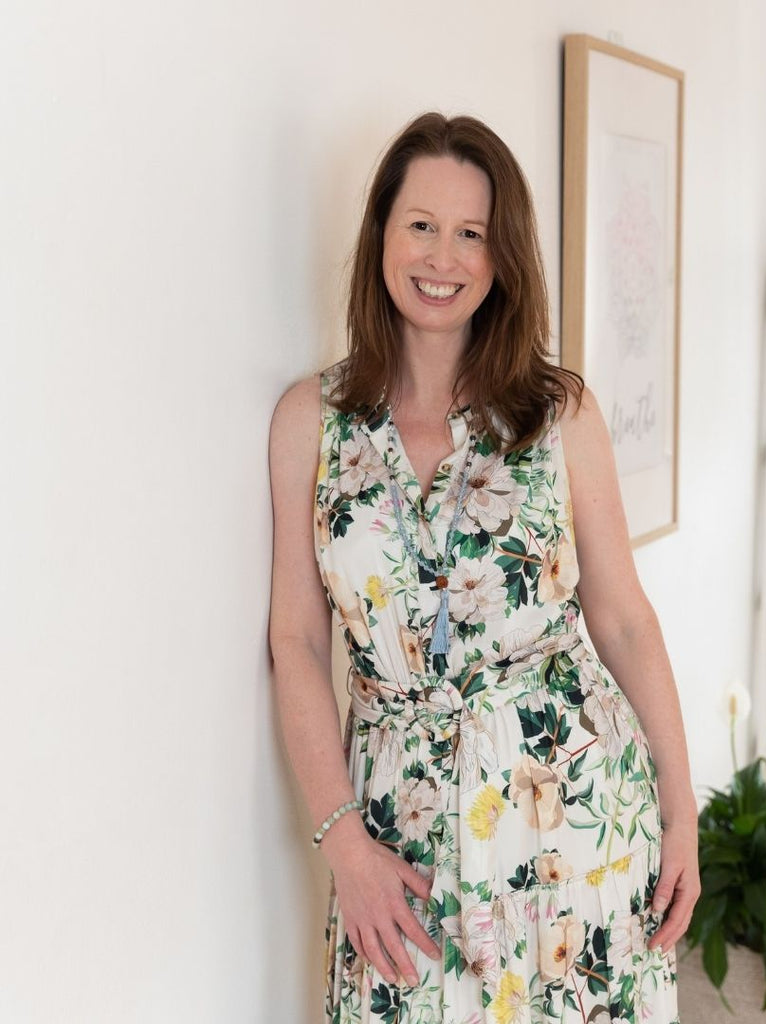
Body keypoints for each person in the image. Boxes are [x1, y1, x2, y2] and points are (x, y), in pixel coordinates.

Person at [268, 111, 699, 1024]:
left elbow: (623, 619)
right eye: (422, 224)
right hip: (396, 827)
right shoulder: (312, 419)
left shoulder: (558, 415)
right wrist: (341, 838)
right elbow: (296, 641)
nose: (444, 257)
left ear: (502, 258)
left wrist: (681, 809)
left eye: (473, 234)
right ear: (381, 233)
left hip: (572, 811)